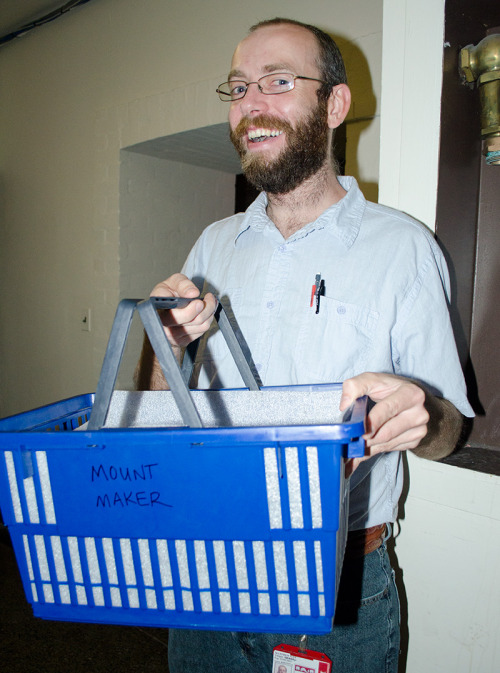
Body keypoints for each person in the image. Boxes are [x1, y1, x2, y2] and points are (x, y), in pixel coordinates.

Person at [135, 17, 474, 673]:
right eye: (238, 88)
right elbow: (162, 411)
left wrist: (418, 412)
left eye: (278, 81)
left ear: (335, 104)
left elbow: (448, 427)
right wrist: (165, 349)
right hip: (208, 570)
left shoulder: (403, 247)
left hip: (338, 586)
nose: (251, 105)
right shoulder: (211, 244)